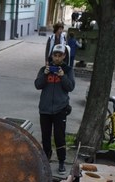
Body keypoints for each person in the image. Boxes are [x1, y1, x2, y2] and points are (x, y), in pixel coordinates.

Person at [35, 44, 75, 174]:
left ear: (64, 56)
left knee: (59, 137)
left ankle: (62, 161)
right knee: (45, 137)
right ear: (52, 56)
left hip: (60, 109)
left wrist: (63, 76)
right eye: (55, 55)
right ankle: (46, 160)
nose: (57, 58)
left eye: (60, 55)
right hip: (45, 109)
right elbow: (37, 85)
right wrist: (45, 75)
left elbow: (70, 87)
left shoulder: (68, 70)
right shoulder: (44, 69)